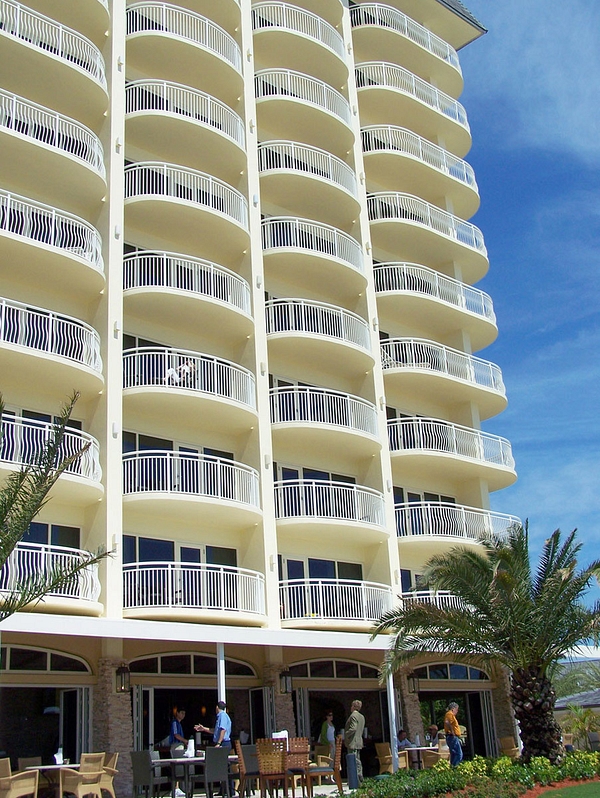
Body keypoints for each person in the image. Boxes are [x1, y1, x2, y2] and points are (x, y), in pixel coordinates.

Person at [195, 701, 235, 796]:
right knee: (223, 768)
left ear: (217, 707)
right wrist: (203, 728)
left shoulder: (222, 716)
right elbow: (215, 731)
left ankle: (230, 791)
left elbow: (223, 729)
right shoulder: (221, 717)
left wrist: (218, 743)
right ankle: (224, 790)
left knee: (223, 768)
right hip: (222, 742)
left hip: (224, 743)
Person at [344, 699, 365, 784]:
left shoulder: (353, 716)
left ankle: (357, 777)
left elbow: (353, 728)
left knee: (354, 760)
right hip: (359, 741)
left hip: (353, 741)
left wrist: (346, 734)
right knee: (357, 759)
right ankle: (358, 776)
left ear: (353, 707)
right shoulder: (362, 717)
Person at [169, 708, 188, 798]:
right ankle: (176, 788)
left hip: (180, 745)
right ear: (177, 713)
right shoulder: (175, 723)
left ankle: (178, 788)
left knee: (180, 766)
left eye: (184, 713)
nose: (183, 715)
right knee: (177, 766)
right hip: (176, 745)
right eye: (182, 712)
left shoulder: (179, 724)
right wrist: (185, 741)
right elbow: (176, 735)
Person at [443, 702, 463, 766]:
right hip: (452, 736)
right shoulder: (449, 714)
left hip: (452, 736)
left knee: (454, 753)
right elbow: (447, 722)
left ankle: (453, 766)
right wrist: (452, 731)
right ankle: (455, 766)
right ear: (453, 709)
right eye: (456, 709)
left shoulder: (450, 714)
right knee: (458, 754)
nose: (457, 711)